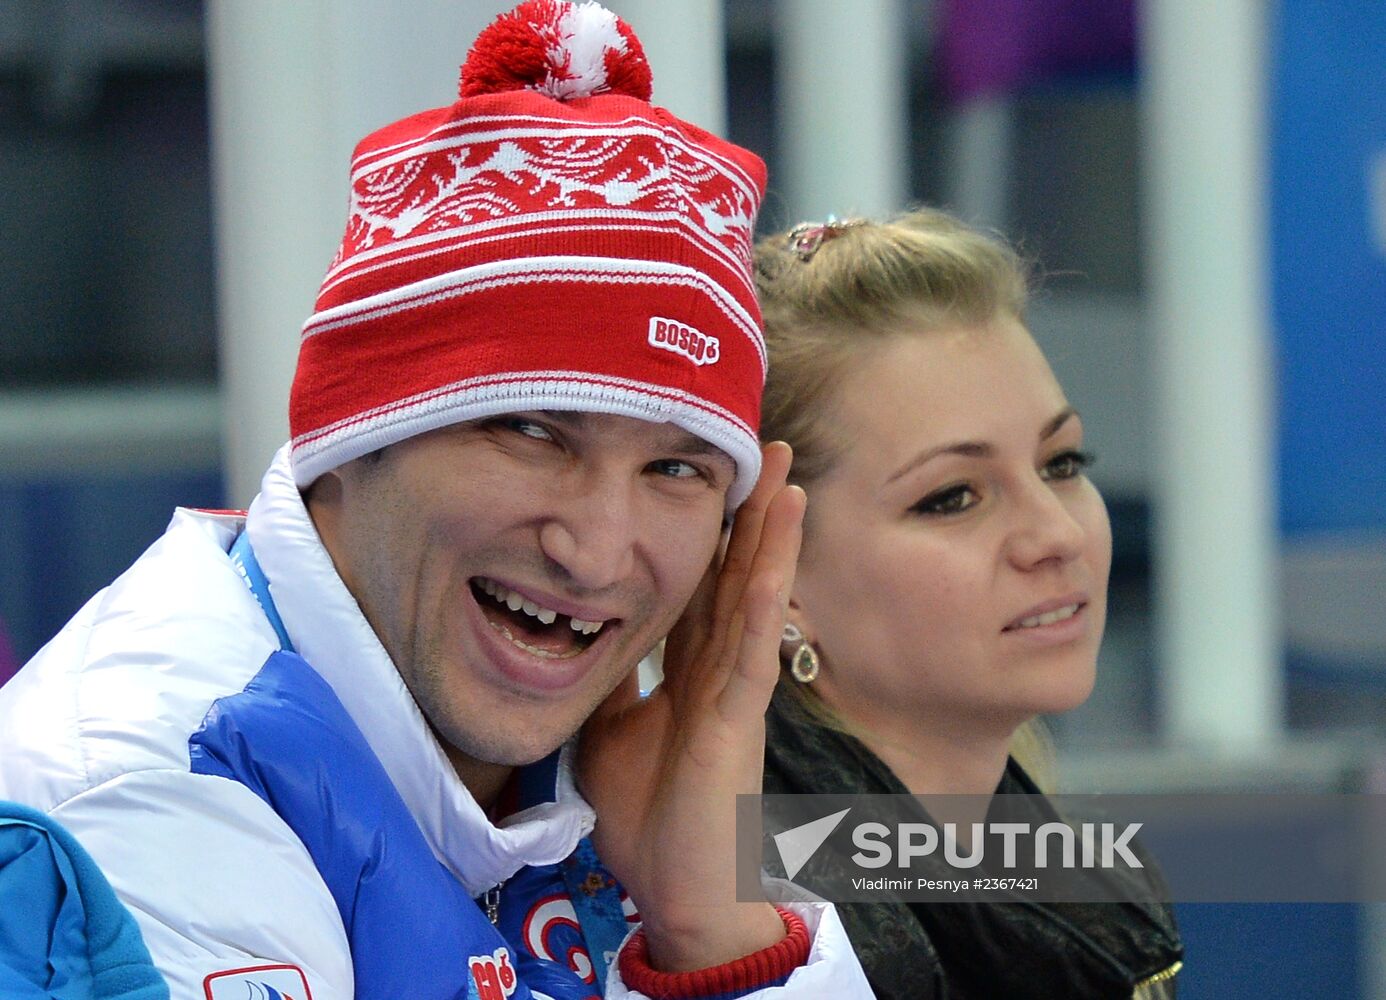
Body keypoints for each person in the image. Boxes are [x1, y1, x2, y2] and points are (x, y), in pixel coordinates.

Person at [0, 4, 872, 998]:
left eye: (677, 469)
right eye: (531, 432)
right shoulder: (148, 786)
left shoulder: (639, 770)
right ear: (353, 438)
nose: (594, 551)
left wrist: (710, 931)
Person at [754, 208, 1184, 998]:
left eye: (1062, 462)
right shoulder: (765, 931)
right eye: (953, 497)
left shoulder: (1074, 875)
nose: (1056, 535)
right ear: (777, 578)